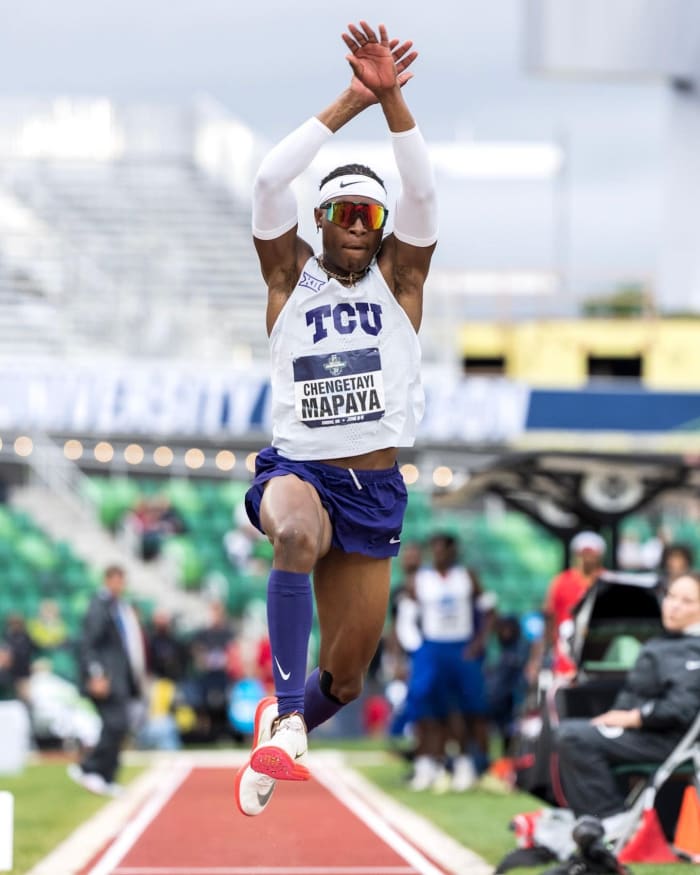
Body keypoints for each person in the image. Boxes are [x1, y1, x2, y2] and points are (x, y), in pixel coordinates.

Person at [234, 19, 437, 818]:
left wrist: (395, 105)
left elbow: (421, 192)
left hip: (375, 488)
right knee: (292, 534)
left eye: (370, 215)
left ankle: (286, 732)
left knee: (349, 677)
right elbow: (263, 185)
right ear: (322, 218)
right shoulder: (288, 280)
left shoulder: (402, 284)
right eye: (345, 210)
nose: (359, 222)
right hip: (300, 471)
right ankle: (283, 711)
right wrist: (353, 101)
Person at [554, 572, 700, 840]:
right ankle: (602, 823)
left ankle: (611, 822)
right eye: (671, 596)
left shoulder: (694, 650)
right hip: (646, 734)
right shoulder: (664, 642)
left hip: (671, 741)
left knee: (573, 736)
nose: (674, 605)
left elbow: (681, 709)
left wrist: (633, 718)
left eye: (687, 600)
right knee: (575, 730)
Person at [401, 533, 495, 792]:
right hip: (432, 647)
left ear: (454, 552)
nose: (439, 555)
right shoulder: (420, 580)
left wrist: (477, 644)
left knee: (468, 708)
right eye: (436, 550)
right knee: (428, 707)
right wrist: (417, 649)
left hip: (461, 647)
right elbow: (405, 619)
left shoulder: (467, 577)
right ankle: (429, 764)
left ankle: (467, 765)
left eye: (444, 550)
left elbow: (489, 611)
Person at [68, 565, 146, 796]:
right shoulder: (99, 606)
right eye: (116, 580)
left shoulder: (117, 607)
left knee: (120, 726)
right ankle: (89, 768)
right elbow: (89, 644)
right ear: (107, 580)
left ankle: (107, 776)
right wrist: (96, 674)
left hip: (120, 678)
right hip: (107, 679)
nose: (120, 585)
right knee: (116, 724)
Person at [526, 530, 606, 683]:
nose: (587, 557)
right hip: (566, 666)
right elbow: (549, 620)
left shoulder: (608, 581)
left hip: (601, 665)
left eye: (591, 553)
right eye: (583, 553)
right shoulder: (561, 582)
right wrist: (536, 660)